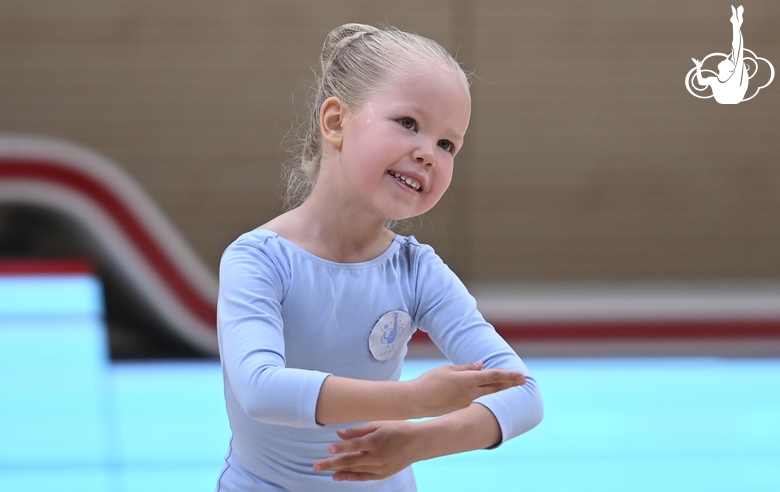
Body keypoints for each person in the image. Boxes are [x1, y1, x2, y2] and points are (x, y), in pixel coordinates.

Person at [215, 23, 543, 491]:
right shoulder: (259, 259)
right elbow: (261, 389)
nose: (429, 153)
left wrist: (419, 441)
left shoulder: (416, 271)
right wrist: (412, 399)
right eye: (409, 123)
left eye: (447, 144)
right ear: (335, 122)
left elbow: (523, 393)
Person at [692, 5, 748, 104]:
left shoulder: (731, 78)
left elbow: (737, 49)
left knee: (737, 51)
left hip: (731, 96)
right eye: (728, 60)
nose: (724, 59)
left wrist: (698, 68)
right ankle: (736, 23)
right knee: (737, 52)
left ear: (729, 69)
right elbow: (700, 82)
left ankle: (736, 23)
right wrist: (698, 67)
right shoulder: (715, 80)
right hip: (730, 97)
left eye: (727, 61)